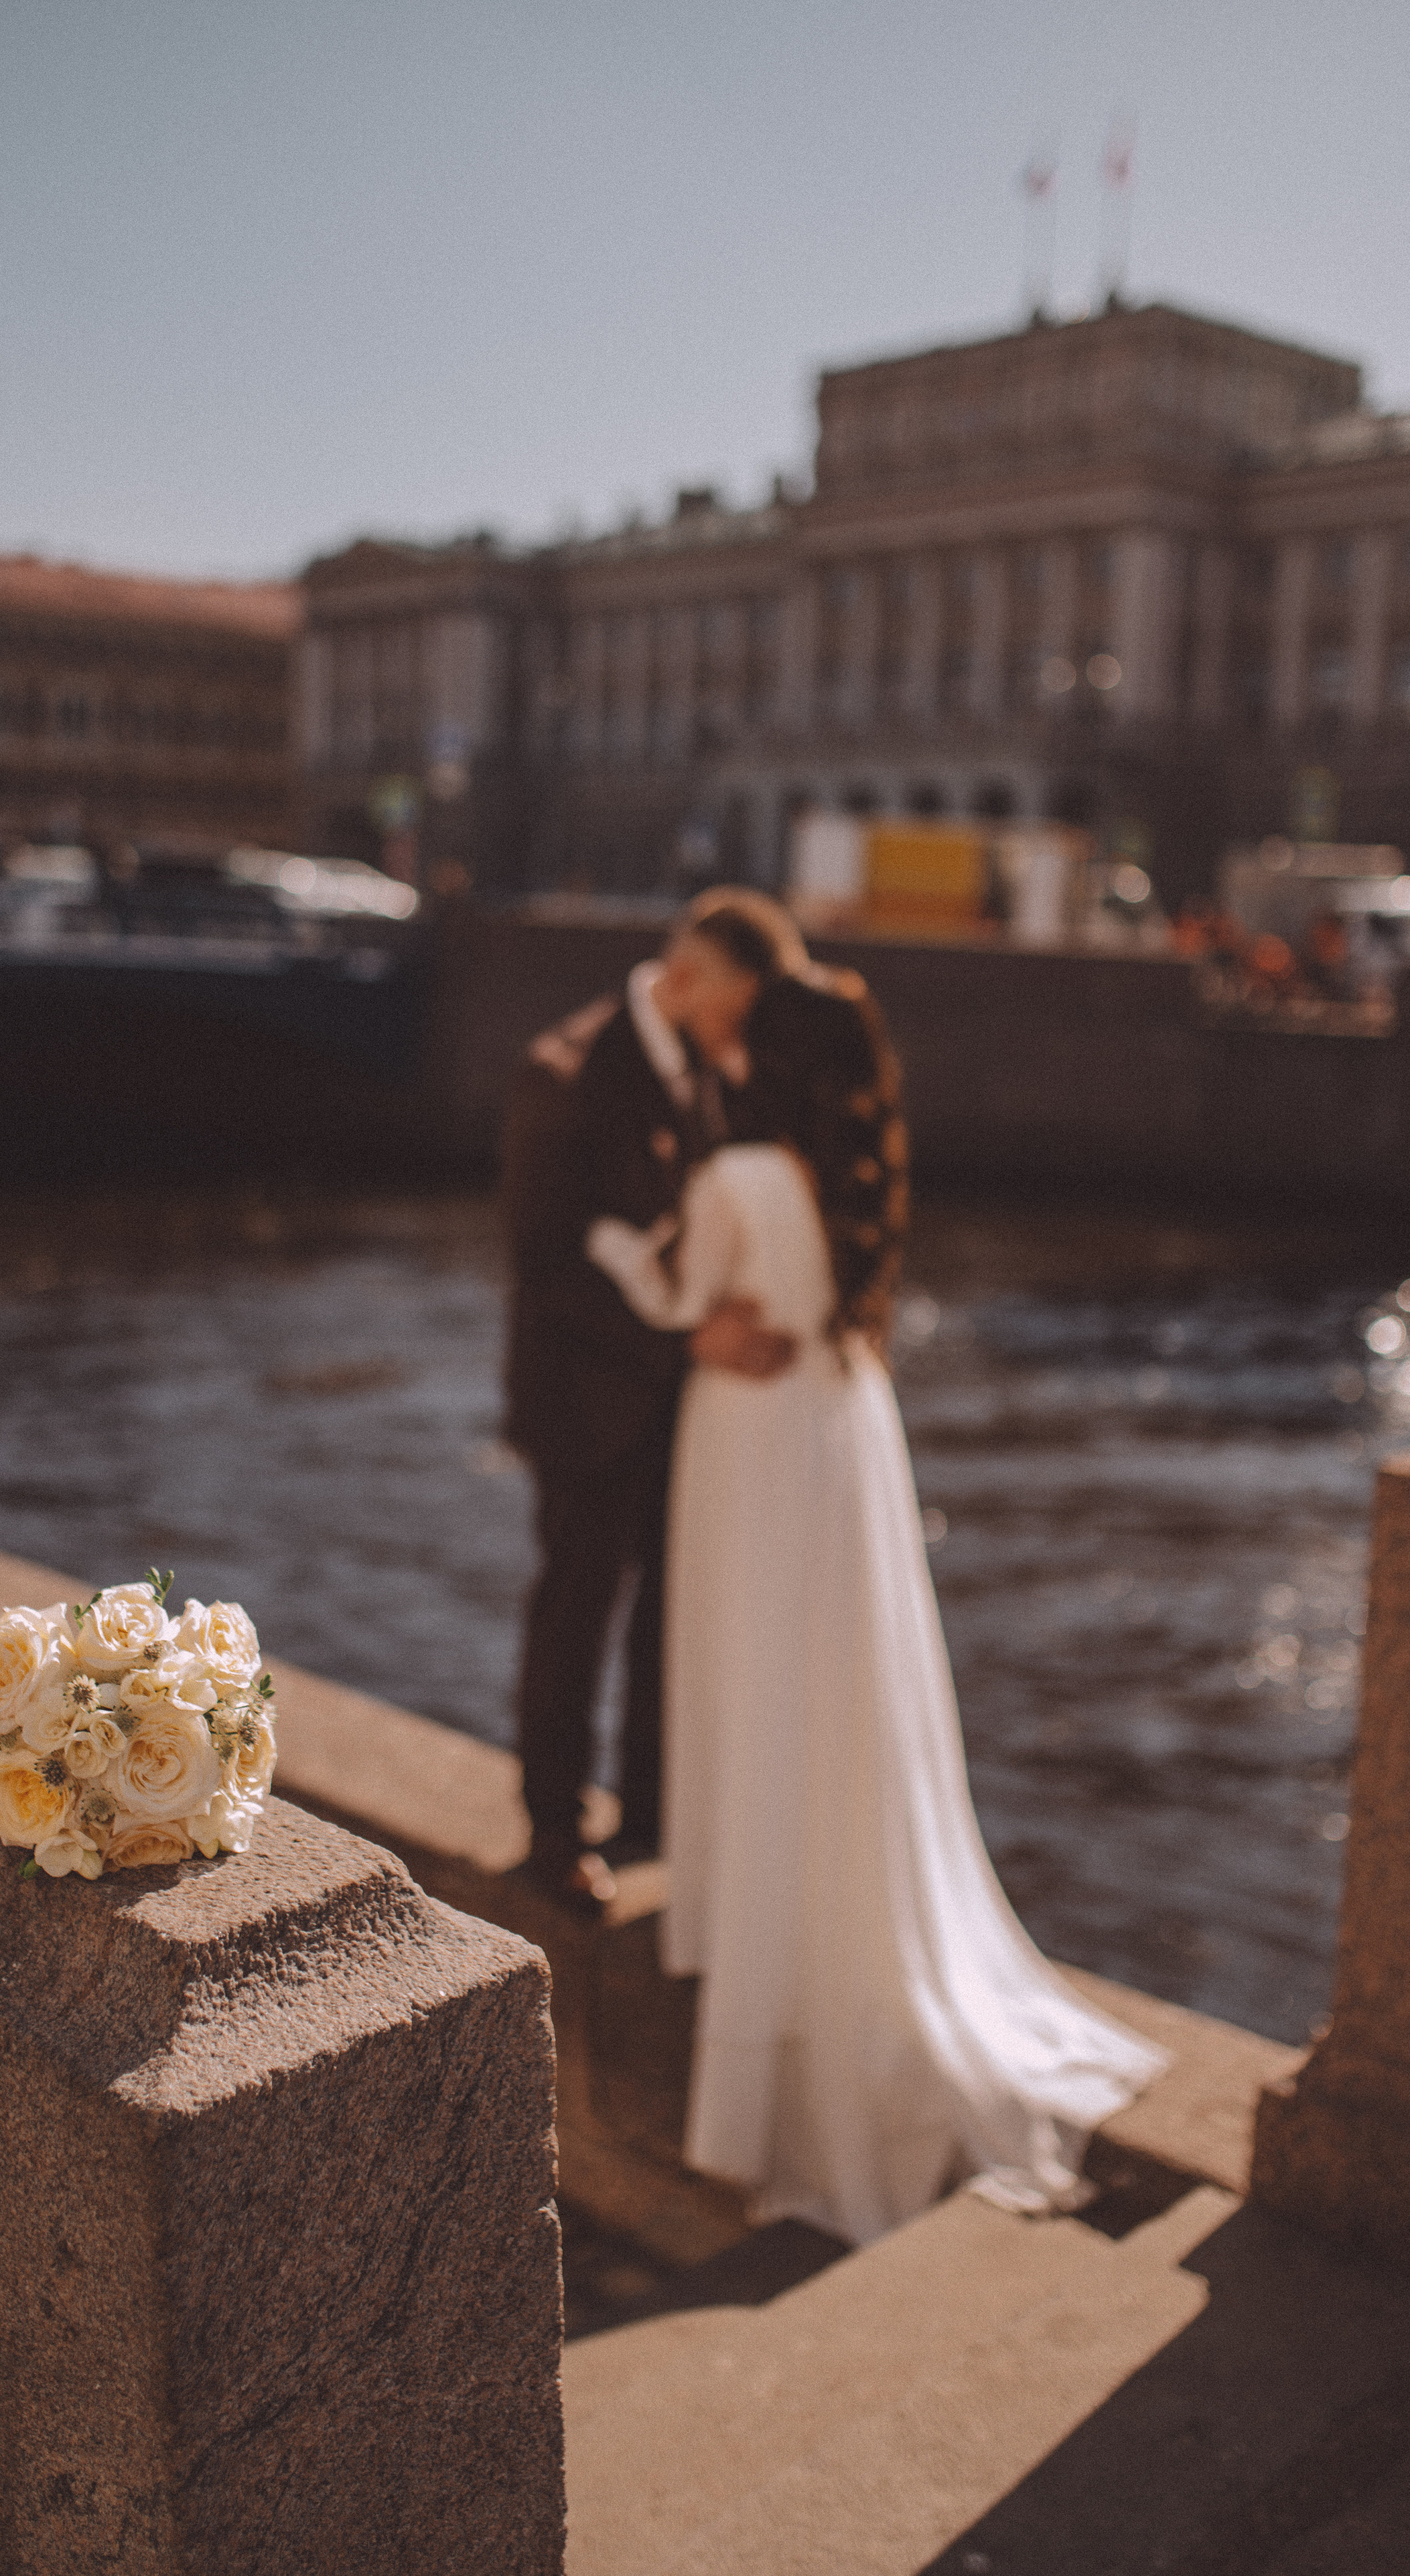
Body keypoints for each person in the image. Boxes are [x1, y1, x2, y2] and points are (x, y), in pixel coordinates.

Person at [584, 973, 1167, 2244]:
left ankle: (762, 2000)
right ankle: (831, 1957)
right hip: (839, 1439)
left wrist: (617, 1249)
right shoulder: (852, 1183)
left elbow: (684, 1301)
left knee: (753, 1688)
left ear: (766, 1062)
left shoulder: (737, 1178)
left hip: (748, 1449)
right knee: (838, 1700)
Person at [503, 890, 888, 1916]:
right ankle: (552, 1832)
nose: (745, 1035)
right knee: (578, 1607)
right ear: (691, 981)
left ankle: (649, 1811)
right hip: (587, 1401)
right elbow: (545, 1271)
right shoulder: (566, 1076)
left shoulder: (720, 1078)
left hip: (686, 1402)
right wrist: (688, 1337)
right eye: (739, 1012)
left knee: (673, 1607)